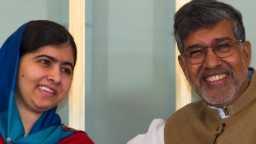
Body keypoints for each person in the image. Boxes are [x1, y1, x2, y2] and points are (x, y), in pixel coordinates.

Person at [128, 0, 255, 143]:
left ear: (245, 53)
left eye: (222, 46)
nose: (211, 63)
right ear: (183, 66)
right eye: (196, 52)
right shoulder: (168, 132)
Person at [0, 20, 94, 144]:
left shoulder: (77, 142)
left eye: (66, 70)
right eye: (45, 62)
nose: (57, 78)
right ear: (14, 64)